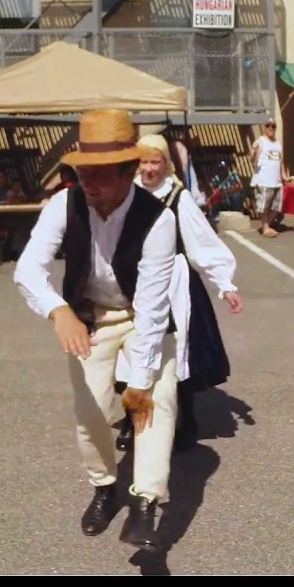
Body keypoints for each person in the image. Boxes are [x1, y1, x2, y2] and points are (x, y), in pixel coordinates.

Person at [14, 109, 177, 552]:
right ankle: (105, 487)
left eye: (100, 172)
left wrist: (140, 383)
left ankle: (145, 503)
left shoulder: (159, 219)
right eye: (82, 170)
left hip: (143, 316)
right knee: (90, 413)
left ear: (129, 173)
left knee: (155, 402)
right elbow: (29, 268)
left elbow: (152, 307)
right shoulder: (64, 204)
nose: (88, 180)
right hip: (88, 316)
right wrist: (58, 310)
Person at [115, 133, 243, 453]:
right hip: (133, 279)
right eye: (143, 161)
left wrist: (225, 284)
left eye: (155, 161)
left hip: (173, 279)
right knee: (128, 351)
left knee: (177, 351)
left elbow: (202, 242)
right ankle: (132, 421)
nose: (148, 168)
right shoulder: (125, 194)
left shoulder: (177, 197)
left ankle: (188, 422)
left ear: (166, 164)